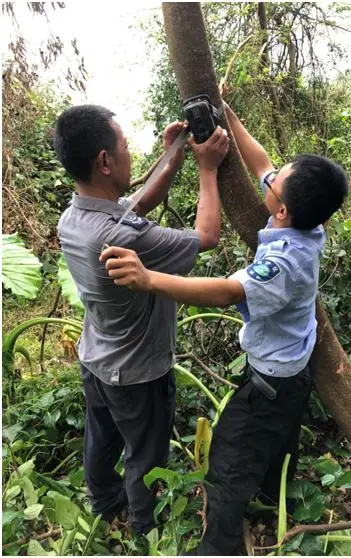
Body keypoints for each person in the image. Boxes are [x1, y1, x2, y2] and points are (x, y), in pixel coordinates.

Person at [100, 101, 349, 555]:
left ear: (281, 210)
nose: (271, 176)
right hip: (293, 371)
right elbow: (262, 162)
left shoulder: (283, 264)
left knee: (229, 457)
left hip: (272, 381)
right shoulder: (307, 225)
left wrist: (149, 279)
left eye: (277, 182)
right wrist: (229, 115)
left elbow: (226, 291)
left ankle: (219, 546)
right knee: (279, 439)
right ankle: (275, 494)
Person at [54, 104, 230, 539]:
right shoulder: (121, 236)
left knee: (102, 438)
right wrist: (208, 169)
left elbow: (138, 201)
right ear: (105, 161)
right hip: (138, 375)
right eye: (126, 146)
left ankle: (103, 501)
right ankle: (144, 530)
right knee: (145, 456)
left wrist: (175, 153)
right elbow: (206, 236)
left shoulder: (73, 219)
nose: (132, 154)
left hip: (97, 360)